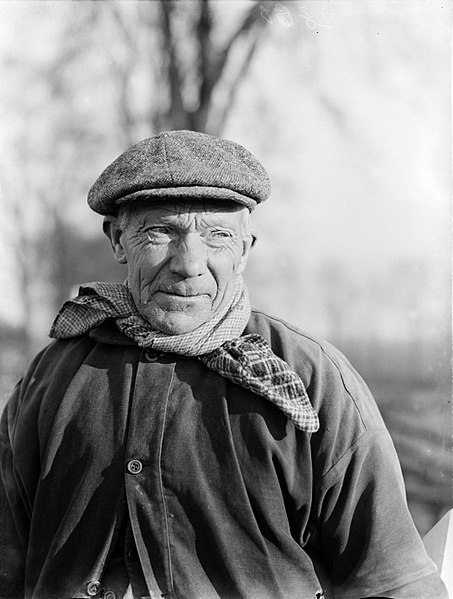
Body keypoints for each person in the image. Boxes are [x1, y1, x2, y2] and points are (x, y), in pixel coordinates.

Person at [0, 130, 447, 599]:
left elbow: (396, 582)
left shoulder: (311, 379)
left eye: (217, 236)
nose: (189, 263)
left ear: (246, 249)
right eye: (161, 232)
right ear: (117, 240)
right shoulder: (52, 378)